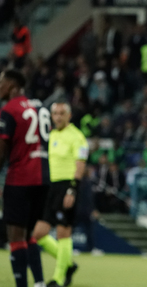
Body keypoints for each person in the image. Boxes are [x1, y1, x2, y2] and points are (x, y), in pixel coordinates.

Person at [0, 69, 51, 287]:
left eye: (1, 82)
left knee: (15, 236)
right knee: (29, 234)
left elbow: (1, 152)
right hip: (43, 178)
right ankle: (39, 283)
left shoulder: (9, 110)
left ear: (11, 85)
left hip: (20, 178)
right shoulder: (41, 107)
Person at [32, 102, 89, 287]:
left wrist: (72, 189)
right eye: (55, 113)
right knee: (38, 233)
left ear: (69, 116)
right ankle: (69, 264)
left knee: (64, 233)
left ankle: (57, 278)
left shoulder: (77, 137)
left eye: (61, 113)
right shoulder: (50, 135)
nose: (57, 117)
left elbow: (80, 164)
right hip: (50, 187)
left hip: (67, 186)